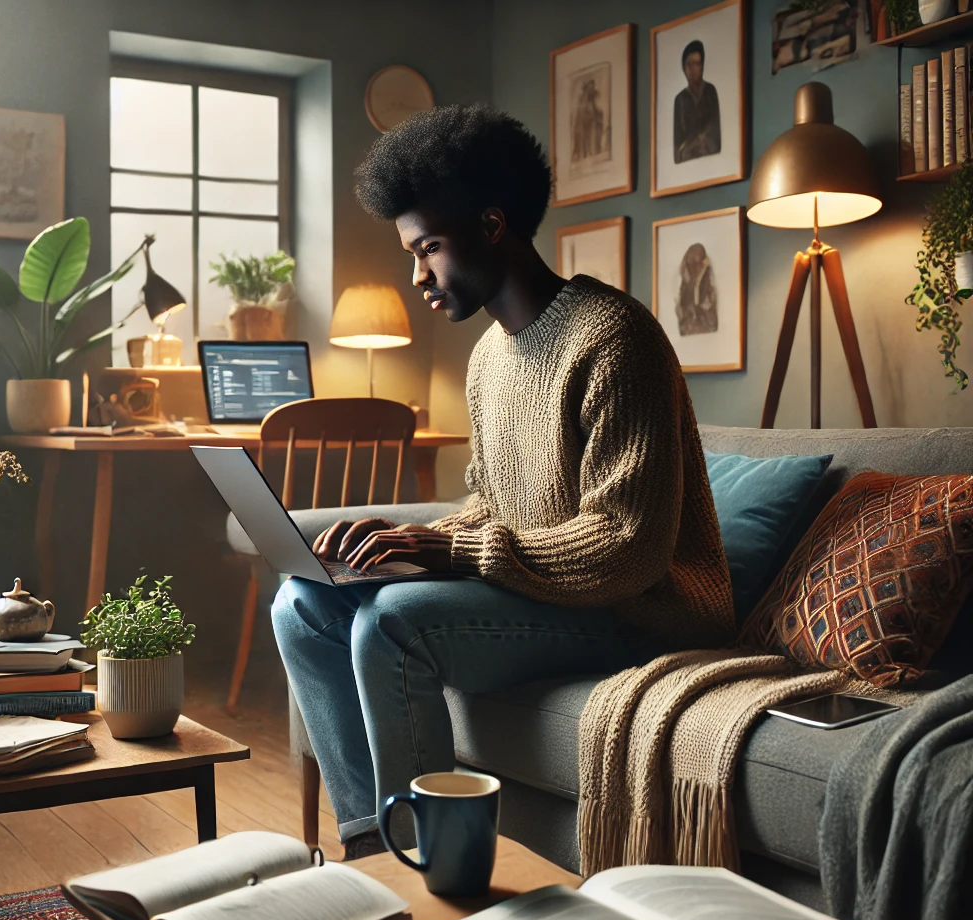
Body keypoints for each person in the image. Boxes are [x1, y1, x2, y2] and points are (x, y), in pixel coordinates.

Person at [271, 105, 734, 859]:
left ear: (492, 225)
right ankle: (369, 848)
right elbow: (494, 500)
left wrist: (453, 555)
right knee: (302, 603)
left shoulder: (616, 340)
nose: (418, 275)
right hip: (546, 595)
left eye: (429, 248)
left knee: (393, 621)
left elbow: (627, 547)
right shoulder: (488, 357)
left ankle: (427, 863)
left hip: (639, 612)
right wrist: (406, 543)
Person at [673, 40, 721, 163]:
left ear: (702, 66)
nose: (692, 69)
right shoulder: (680, 99)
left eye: (696, 64)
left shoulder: (710, 91)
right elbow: (678, 143)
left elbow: (715, 127)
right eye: (688, 64)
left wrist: (702, 139)